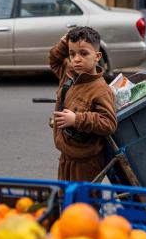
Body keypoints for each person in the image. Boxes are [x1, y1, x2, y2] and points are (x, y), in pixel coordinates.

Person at [49, 26, 117, 182]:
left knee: (84, 203)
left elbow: (109, 123)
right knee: (65, 201)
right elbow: (54, 60)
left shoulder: (101, 90)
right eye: (72, 54)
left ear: (97, 56)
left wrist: (76, 119)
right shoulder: (68, 73)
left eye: (84, 53)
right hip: (66, 156)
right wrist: (63, 43)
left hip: (86, 163)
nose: (76, 59)